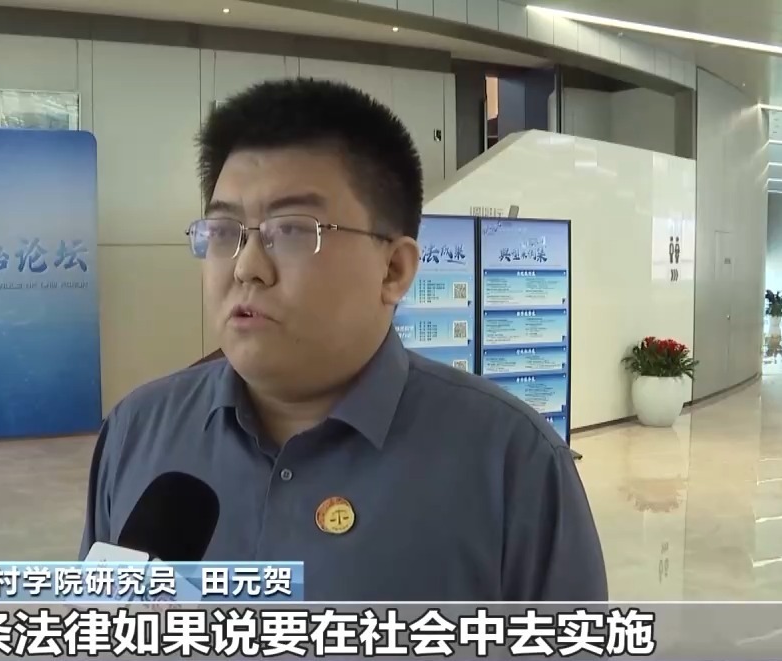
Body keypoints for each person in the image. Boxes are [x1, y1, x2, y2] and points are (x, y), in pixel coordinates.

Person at [80, 78, 608, 601]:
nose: (246, 267)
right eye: (223, 233)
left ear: (394, 270)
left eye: (291, 230)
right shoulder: (137, 431)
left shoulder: (513, 463)